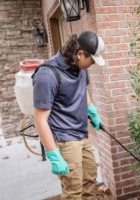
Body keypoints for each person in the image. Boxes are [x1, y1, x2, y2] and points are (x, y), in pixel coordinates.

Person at [33, 31, 105, 200]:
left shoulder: (79, 66)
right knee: (73, 191)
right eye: (92, 60)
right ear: (79, 54)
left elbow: (82, 90)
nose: (93, 64)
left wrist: (92, 111)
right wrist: (53, 154)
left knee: (90, 182)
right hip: (65, 140)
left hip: (82, 134)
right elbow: (40, 119)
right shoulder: (47, 75)